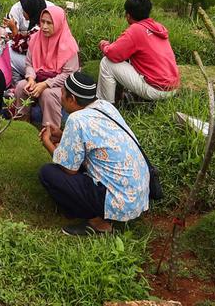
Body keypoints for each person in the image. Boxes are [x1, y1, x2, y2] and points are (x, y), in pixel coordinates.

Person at [39, 72, 150, 236]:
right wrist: (64, 136)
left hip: (119, 200)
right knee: (77, 165)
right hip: (138, 194)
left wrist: (47, 142)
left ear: (73, 100)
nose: (60, 98)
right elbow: (95, 141)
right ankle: (98, 212)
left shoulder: (77, 119)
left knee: (48, 173)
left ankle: (99, 224)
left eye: (62, 94)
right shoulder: (106, 106)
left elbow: (69, 169)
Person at [95, 0, 179, 103]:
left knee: (107, 63)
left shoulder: (135, 30)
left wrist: (104, 44)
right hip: (172, 87)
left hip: (156, 90)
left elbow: (112, 53)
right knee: (130, 58)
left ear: (128, 15)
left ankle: (105, 106)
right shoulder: (157, 27)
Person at [16, 5, 80, 129]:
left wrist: (46, 84)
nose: (44, 26)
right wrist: (30, 79)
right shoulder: (35, 39)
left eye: (49, 23)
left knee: (48, 94)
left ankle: (50, 133)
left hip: (60, 84)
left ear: (59, 23)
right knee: (21, 87)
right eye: (42, 22)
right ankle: (22, 125)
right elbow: (29, 64)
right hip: (38, 79)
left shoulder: (69, 44)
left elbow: (68, 75)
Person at [5, 0, 50, 84]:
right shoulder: (43, 22)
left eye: (24, 10)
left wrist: (13, 28)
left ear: (31, 10)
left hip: (41, 66)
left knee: (7, 51)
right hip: (45, 61)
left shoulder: (40, 29)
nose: (22, 12)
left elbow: (20, 47)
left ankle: (16, 83)